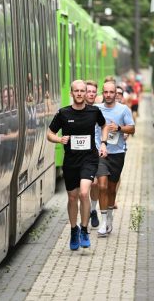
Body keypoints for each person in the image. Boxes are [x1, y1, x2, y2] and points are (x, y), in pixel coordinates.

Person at [47, 80, 108, 250]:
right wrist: (59, 139)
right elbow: (49, 133)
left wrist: (103, 143)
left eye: (83, 91)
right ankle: (73, 230)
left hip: (89, 159)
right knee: (72, 197)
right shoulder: (63, 113)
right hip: (71, 161)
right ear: (71, 93)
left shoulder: (94, 112)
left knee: (83, 193)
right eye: (77, 91)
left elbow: (104, 126)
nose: (80, 93)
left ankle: (84, 230)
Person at [95, 81, 135, 236]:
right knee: (102, 186)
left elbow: (132, 128)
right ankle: (103, 221)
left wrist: (118, 128)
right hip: (101, 152)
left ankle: (109, 217)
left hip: (117, 153)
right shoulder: (96, 110)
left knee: (112, 189)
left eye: (111, 92)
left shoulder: (123, 110)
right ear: (103, 93)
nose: (109, 95)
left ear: (116, 93)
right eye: (106, 92)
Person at [85, 80, 99, 227]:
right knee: (82, 189)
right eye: (88, 91)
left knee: (94, 184)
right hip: (79, 155)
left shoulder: (99, 110)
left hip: (95, 153)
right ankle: (85, 211)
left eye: (93, 92)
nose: (90, 94)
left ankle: (93, 210)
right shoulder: (74, 110)